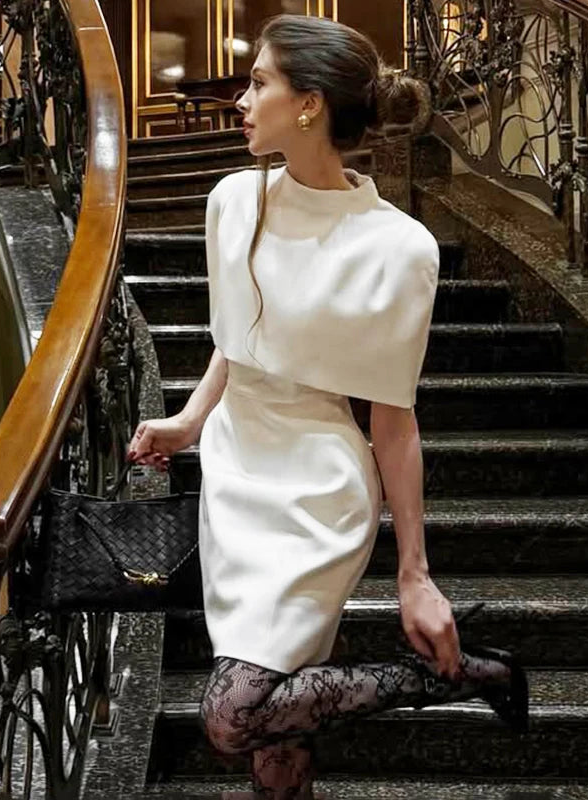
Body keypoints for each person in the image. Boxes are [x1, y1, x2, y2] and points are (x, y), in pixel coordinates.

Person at [128, 13, 528, 800]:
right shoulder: (230, 201)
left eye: (259, 82)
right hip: (237, 478)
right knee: (277, 735)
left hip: (317, 491)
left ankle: (456, 677)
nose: (242, 99)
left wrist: (414, 572)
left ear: (308, 104)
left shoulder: (397, 248)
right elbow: (241, 339)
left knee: (233, 715)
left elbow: (394, 419)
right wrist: (189, 422)